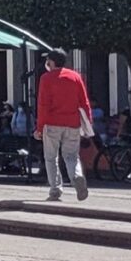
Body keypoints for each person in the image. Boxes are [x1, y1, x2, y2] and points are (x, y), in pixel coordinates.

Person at [35, 50, 92, 201]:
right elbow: (84, 102)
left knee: (51, 157)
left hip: (52, 123)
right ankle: (77, 176)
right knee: (72, 156)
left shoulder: (46, 78)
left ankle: (55, 189)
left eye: (47, 60)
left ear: (51, 62)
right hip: (72, 123)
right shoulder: (75, 76)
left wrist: (39, 127)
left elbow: (43, 105)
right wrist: (88, 124)